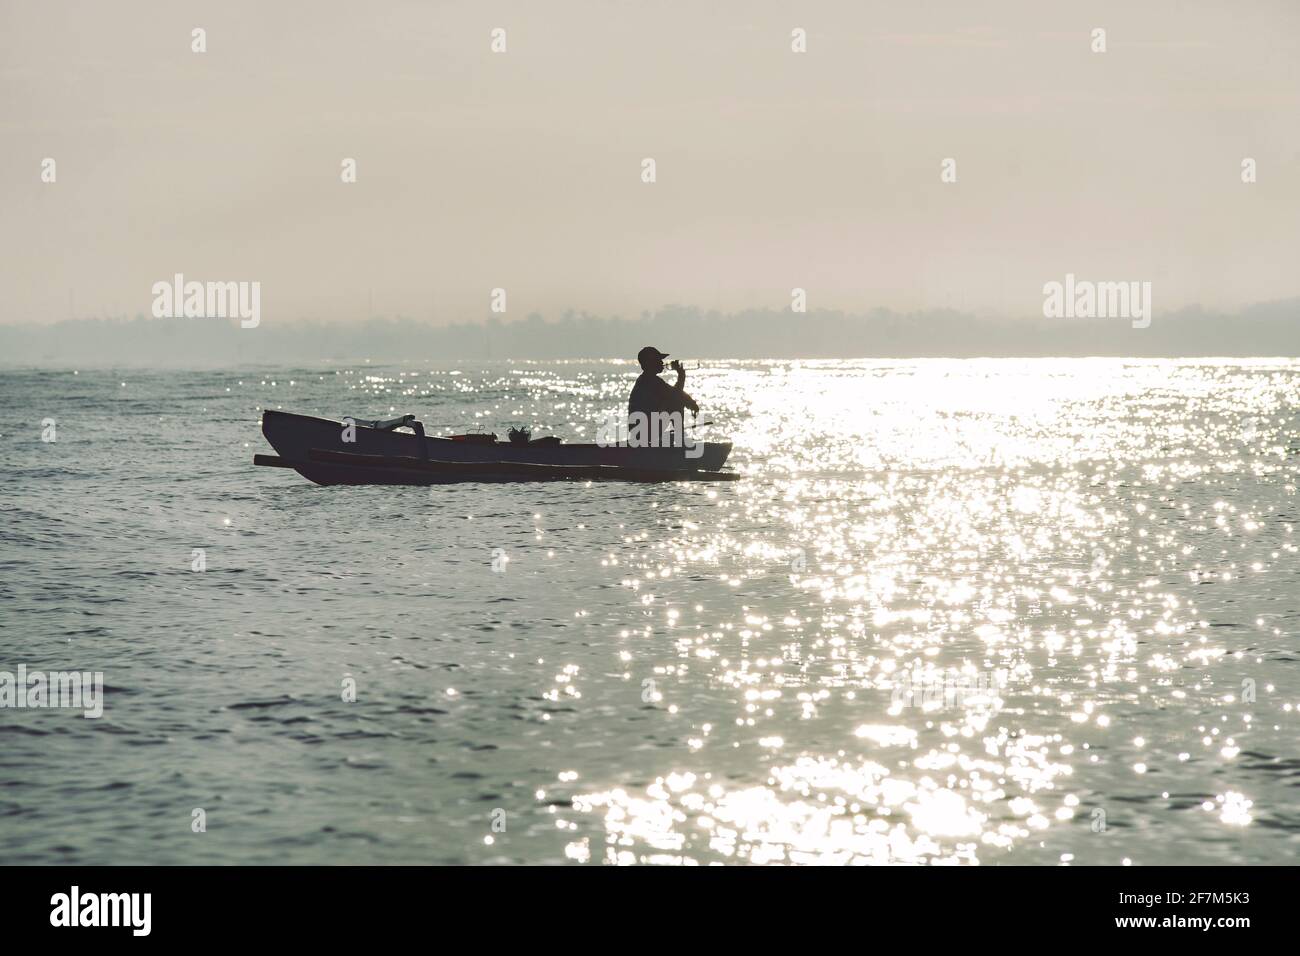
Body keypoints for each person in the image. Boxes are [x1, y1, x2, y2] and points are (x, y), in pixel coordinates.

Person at [628, 347, 699, 436]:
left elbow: (674, 393)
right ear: (650, 363)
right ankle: (680, 440)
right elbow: (676, 395)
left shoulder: (646, 379)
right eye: (658, 360)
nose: (662, 362)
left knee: (676, 401)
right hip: (642, 431)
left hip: (639, 431)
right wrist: (681, 375)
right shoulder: (650, 381)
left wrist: (690, 403)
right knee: (676, 404)